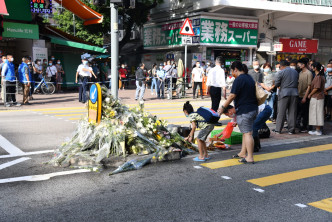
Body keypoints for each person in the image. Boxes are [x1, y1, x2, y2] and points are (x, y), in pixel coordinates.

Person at [218, 61, 258, 164]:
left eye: (232, 71)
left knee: (248, 133)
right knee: (246, 133)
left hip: (245, 110)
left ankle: (250, 157)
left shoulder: (239, 79)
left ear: (235, 69)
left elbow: (231, 96)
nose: (232, 73)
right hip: (253, 108)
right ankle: (242, 153)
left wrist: (222, 107)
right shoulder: (249, 77)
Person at [274, 60, 299, 134]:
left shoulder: (281, 72)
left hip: (284, 93)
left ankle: (278, 129)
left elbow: (276, 84)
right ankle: (291, 129)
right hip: (294, 93)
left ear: (281, 66)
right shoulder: (295, 72)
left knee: (281, 112)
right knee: (292, 112)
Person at [308, 62, 325, 136]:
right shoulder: (321, 76)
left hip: (317, 97)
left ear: (315, 68)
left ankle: (318, 130)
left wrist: (310, 94)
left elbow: (316, 87)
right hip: (318, 97)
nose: (311, 68)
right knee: (317, 113)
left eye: (312, 67)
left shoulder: (318, 77)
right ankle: (317, 130)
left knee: (317, 114)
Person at [297, 58, 313, 132]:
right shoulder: (300, 73)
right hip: (299, 95)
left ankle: (305, 127)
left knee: (305, 113)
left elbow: (309, 86)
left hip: (304, 96)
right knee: (300, 112)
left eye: (299, 64)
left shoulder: (308, 73)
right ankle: (301, 126)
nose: (298, 65)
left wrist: (305, 97)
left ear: (303, 65)